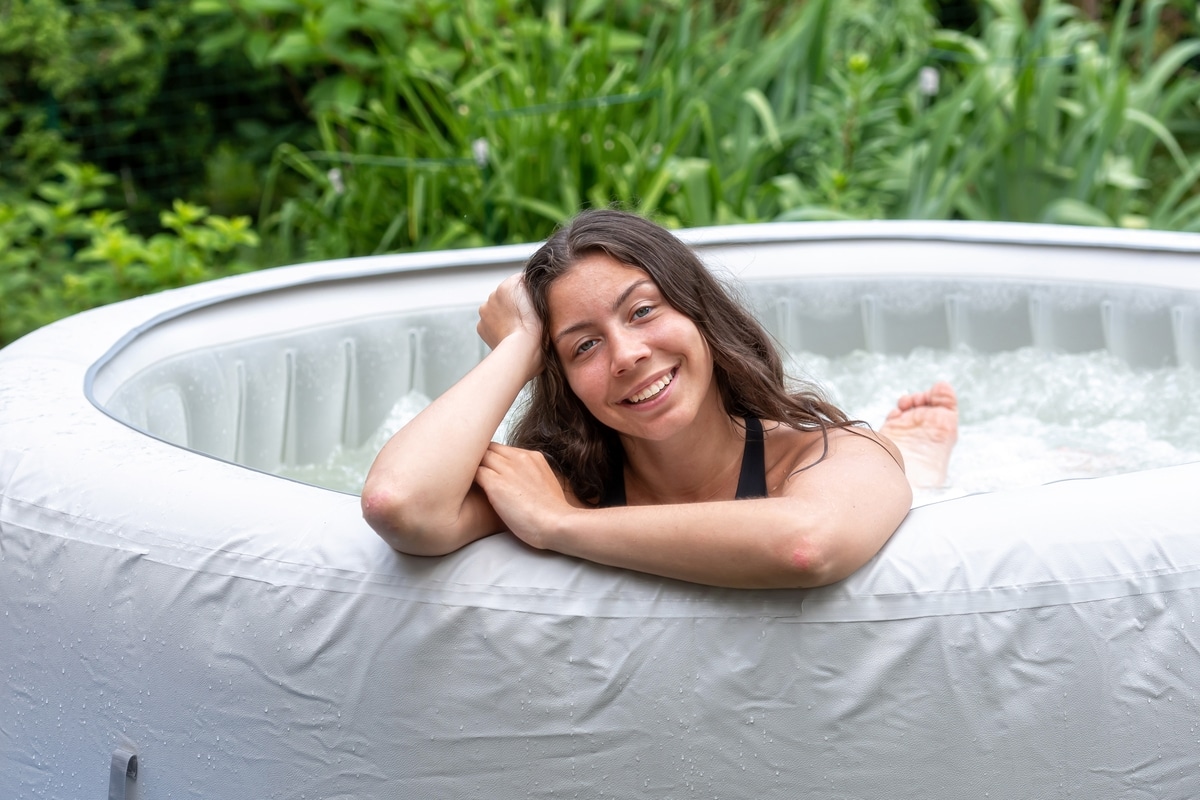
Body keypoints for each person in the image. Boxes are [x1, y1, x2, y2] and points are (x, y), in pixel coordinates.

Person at [361, 210, 958, 589]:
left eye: (643, 311)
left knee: (905, 471)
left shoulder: (818, 453)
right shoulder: (564, 480)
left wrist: (559, 526)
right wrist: (519, 347)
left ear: (700, 311)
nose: (626, 355)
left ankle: (915, 452)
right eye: (584, 346)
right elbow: (400, 504)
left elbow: (808, 544)